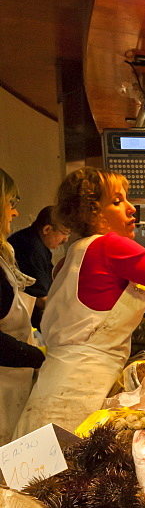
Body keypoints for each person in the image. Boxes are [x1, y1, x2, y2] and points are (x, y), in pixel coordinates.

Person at [15, 168, 145, 437]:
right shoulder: (110, 246)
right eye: (117, 201)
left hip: (50, 387)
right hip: (82, 394)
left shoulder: (71, 256)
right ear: (91, 212)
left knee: (29, 473)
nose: (131, 208)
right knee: (67, 473)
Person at [0, 170, 45, 444]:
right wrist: (40, 357)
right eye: (11, 203)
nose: (15, 213)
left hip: (13, 385)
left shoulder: (4, 254)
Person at [9, 205, 70, 327]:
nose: (66, 240)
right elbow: (41, 299)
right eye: (64, 233)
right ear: (47, 229)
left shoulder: (35, 241)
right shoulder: (32, 248)